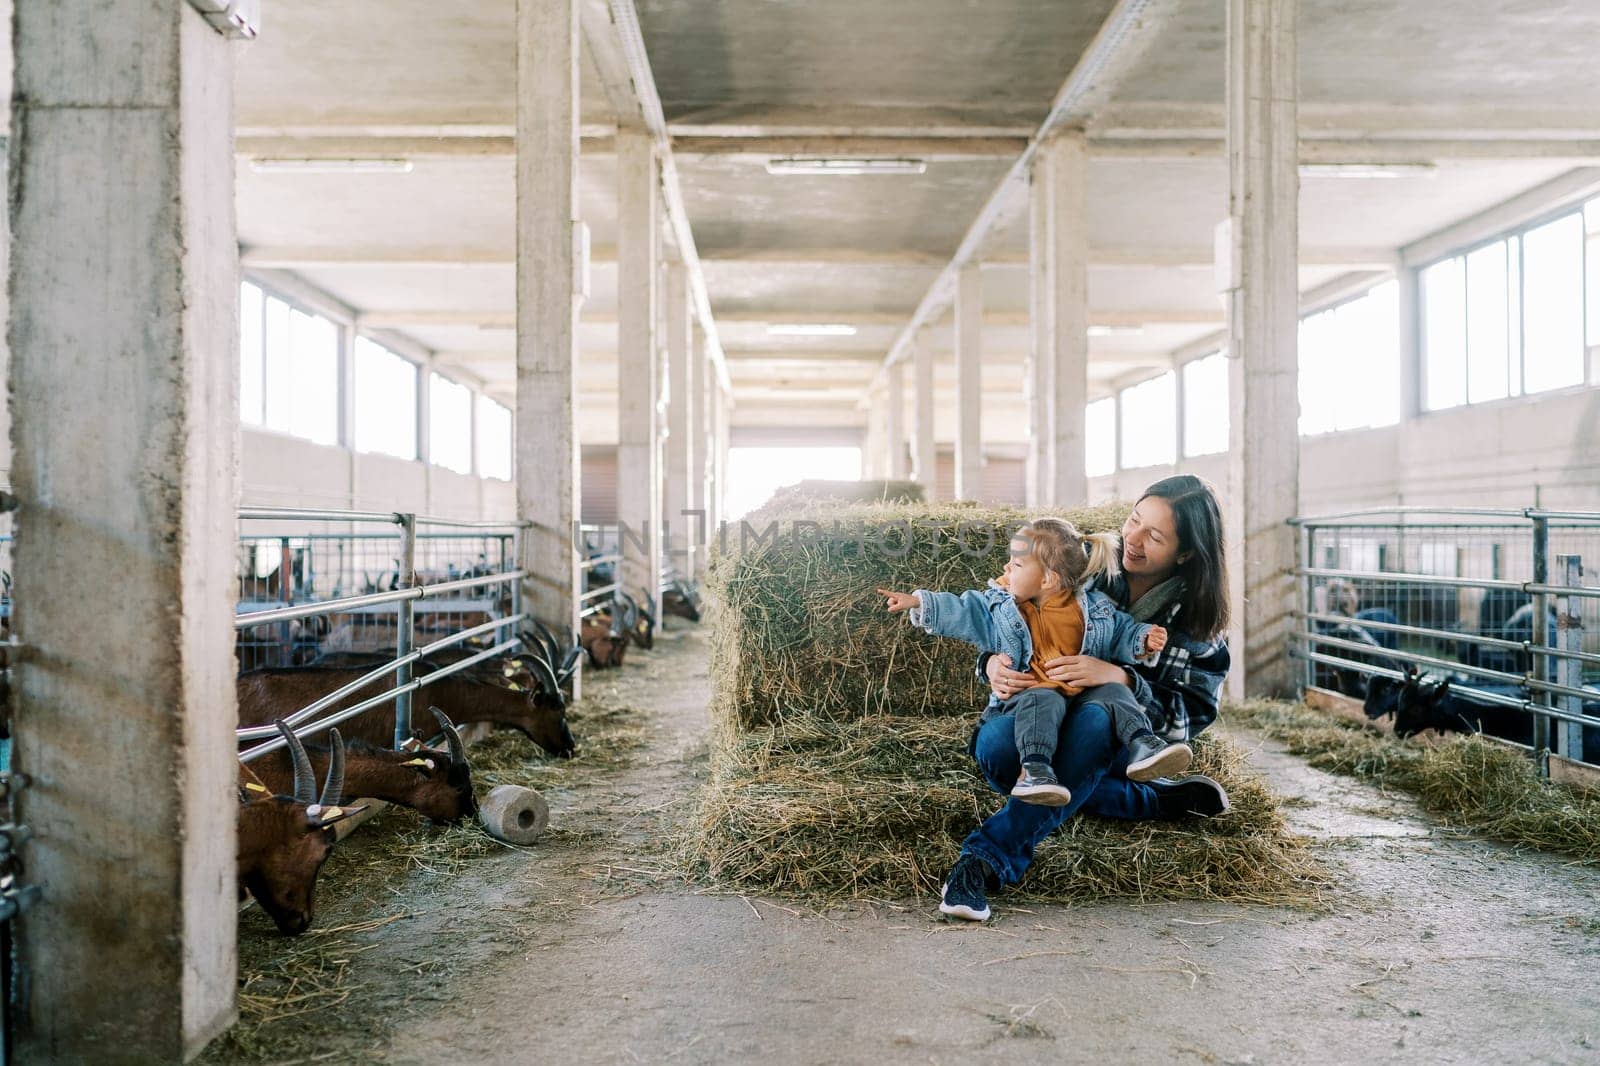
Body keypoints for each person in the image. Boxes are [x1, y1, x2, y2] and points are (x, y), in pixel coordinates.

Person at [940, 475, 1233, 922]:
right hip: (1037, 708)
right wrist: (991, 664)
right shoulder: (1087, 562)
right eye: (1134, 519)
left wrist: (1121, 677)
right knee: (998, 755)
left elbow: (1184, 724)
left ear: (1186, 553)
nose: (1132, 539)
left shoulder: (1197, 628)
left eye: (1153, 536)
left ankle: (981, 860)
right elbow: (1010, 615)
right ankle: (1153, 801)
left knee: (1095, 723)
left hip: (1117, 736)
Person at [877, 518, 1190, 807]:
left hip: (1082, 701)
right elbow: (964, 609)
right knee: (1043, 699)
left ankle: (1144, 745)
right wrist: (920, 601)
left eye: (1016, 564)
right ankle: (1035, 771)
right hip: (1033, 697)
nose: (1005, 568)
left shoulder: (1096, 610)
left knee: (1116, 693)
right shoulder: (1001, 608)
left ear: (1048, 580)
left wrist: (1144, 638)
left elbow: (1121, 631)